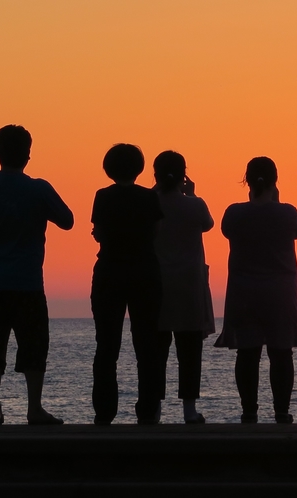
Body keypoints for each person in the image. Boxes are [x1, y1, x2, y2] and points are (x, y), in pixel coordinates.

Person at [0, 124, 73, 425]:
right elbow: (67, 220)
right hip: (27, 284)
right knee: (34, 345)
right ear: (28, 154)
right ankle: (34, 407)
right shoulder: (38, 189)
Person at [216, 156, 297, 424]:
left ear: (248, 181)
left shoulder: (234, 213)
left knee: (247, 353)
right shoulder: (287, 213)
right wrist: (276, 203)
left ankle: (249, 411)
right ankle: (281, 411)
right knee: (281, 353)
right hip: (280, 293)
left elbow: (225, 230)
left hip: (244, 292)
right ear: (275, 181)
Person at [90, 144, 166, 425]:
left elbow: (99, 231)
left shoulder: (102, 196)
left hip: (109, 270)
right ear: (139, 168)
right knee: (147, 344)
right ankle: (148, 410)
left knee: (107, 344)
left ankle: (105, 410)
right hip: (145, 270)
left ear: (108, 168)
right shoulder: (149, 196)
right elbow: (156, 231)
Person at [151, 151, 215, 424]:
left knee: (155, 352)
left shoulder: (149, 204)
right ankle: (189, 410)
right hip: (189, 286)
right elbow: (208, 225)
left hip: (157, 286)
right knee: (189, 353)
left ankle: (154, 410)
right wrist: (189, 194)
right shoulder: (195, 205)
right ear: (183, 175)